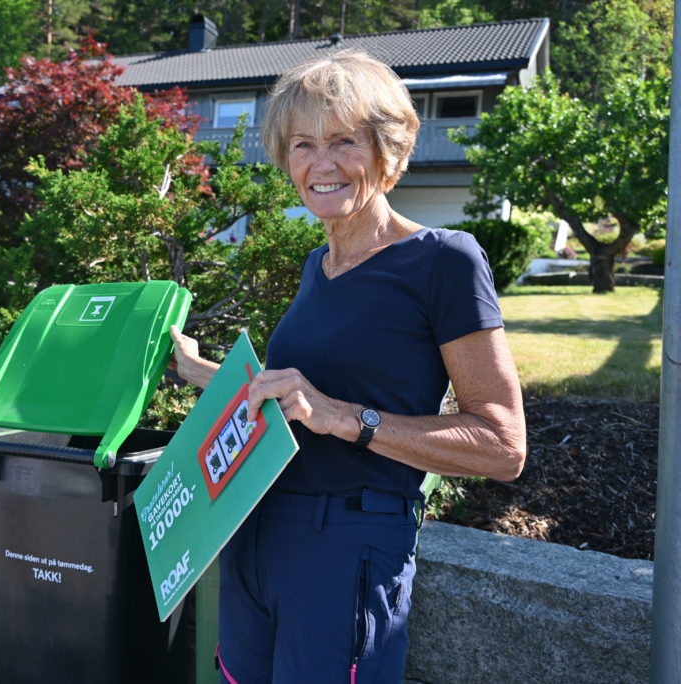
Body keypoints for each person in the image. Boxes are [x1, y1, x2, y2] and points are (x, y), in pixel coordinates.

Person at [169, 51, 527, 683]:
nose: (321, 164)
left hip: (347, 547)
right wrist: (202, 372)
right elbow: (296, 395)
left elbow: (502, 446)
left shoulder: (444, 261)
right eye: (303, 144)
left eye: (343, 142)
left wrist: (342, 418)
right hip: (255, 535)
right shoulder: (318, 266)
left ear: (388, 150)